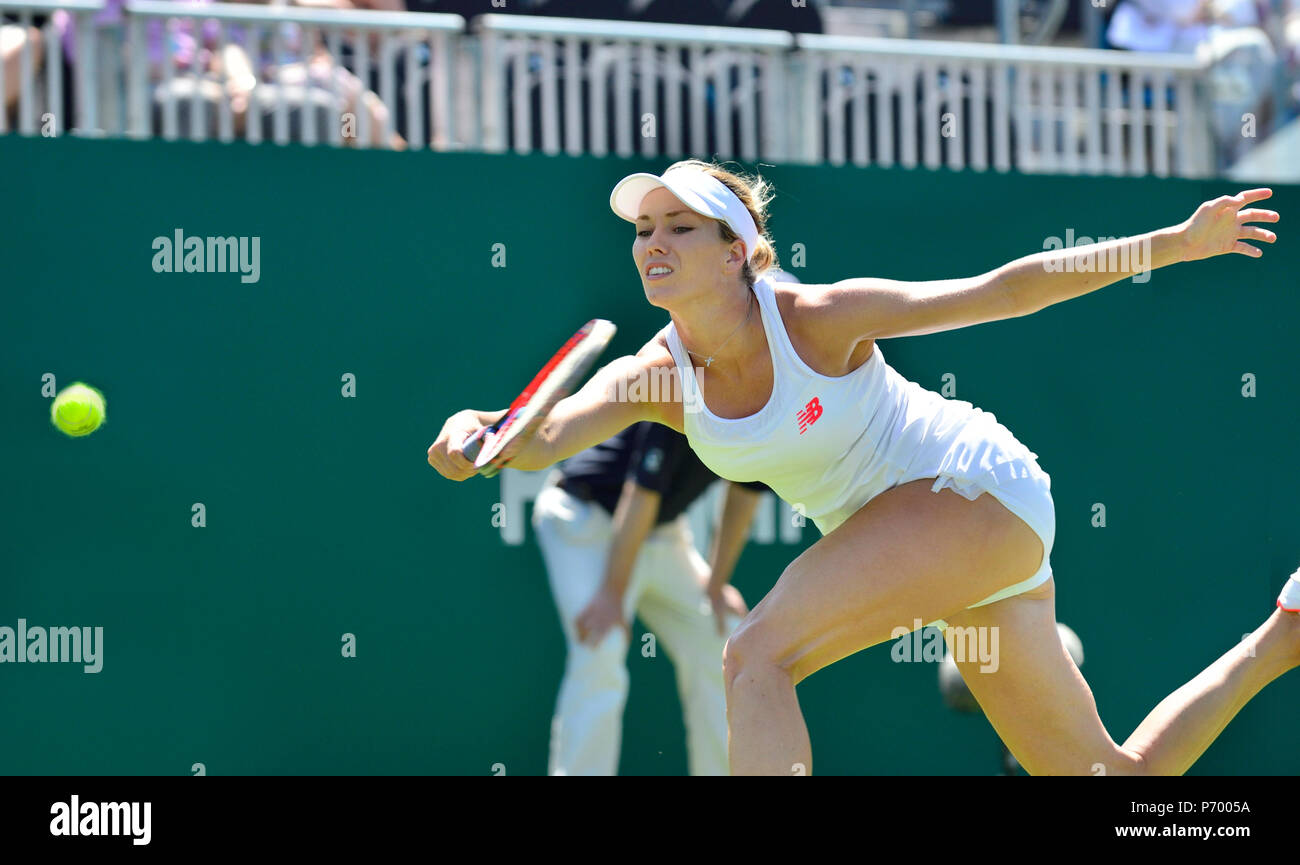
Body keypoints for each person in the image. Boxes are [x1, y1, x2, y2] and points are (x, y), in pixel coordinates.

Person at [428, 160, 1293, 776]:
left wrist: (1173, 245)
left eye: (680, 227)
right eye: (645, 229)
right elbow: (539, 439)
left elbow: (1004, 287)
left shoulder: (816, 318)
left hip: (975, 487)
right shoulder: (653, 375)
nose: (653, 241)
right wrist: (474, 434)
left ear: (737, 251)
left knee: (755, 654)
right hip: (959, 558)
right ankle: (1283, 636)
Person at [532, 420, 766, 775]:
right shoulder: (679, 390)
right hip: (584, 521)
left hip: (660, 533)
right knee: (601, 643)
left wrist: (716, 584)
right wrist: (612, 593)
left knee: (723, 638)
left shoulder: (766, 411)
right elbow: (640, 493)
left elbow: (744, 496)